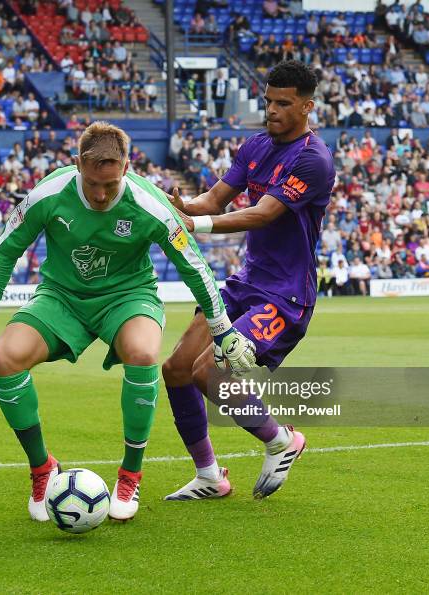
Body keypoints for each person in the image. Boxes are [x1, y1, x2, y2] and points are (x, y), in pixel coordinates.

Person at [0, 122, 256, 523]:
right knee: (4, 360)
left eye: (111, 186)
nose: (101, 195)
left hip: (128, 297)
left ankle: (130, 474)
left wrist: (221, 328)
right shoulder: (49, 193)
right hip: (60, 297)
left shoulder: (149, 203)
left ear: (127, 168)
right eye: (94, 183)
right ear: (79, 163)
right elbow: (5, 248)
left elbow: (193, 265)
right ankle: (42, 468)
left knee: (144, 352)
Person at [163, 60, 335, 501]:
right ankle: (209, 477)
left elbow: (264, 213)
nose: (272, 110)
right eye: (268, 101)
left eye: (283, 103)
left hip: (285, 294)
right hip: (246, 282)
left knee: (208, 370)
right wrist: (181, 205)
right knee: (178, 368)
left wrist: (195, 226)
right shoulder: (255, 146)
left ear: (306, 107)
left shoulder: (314, 160)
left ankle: (281, 441)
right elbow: (214, 199)